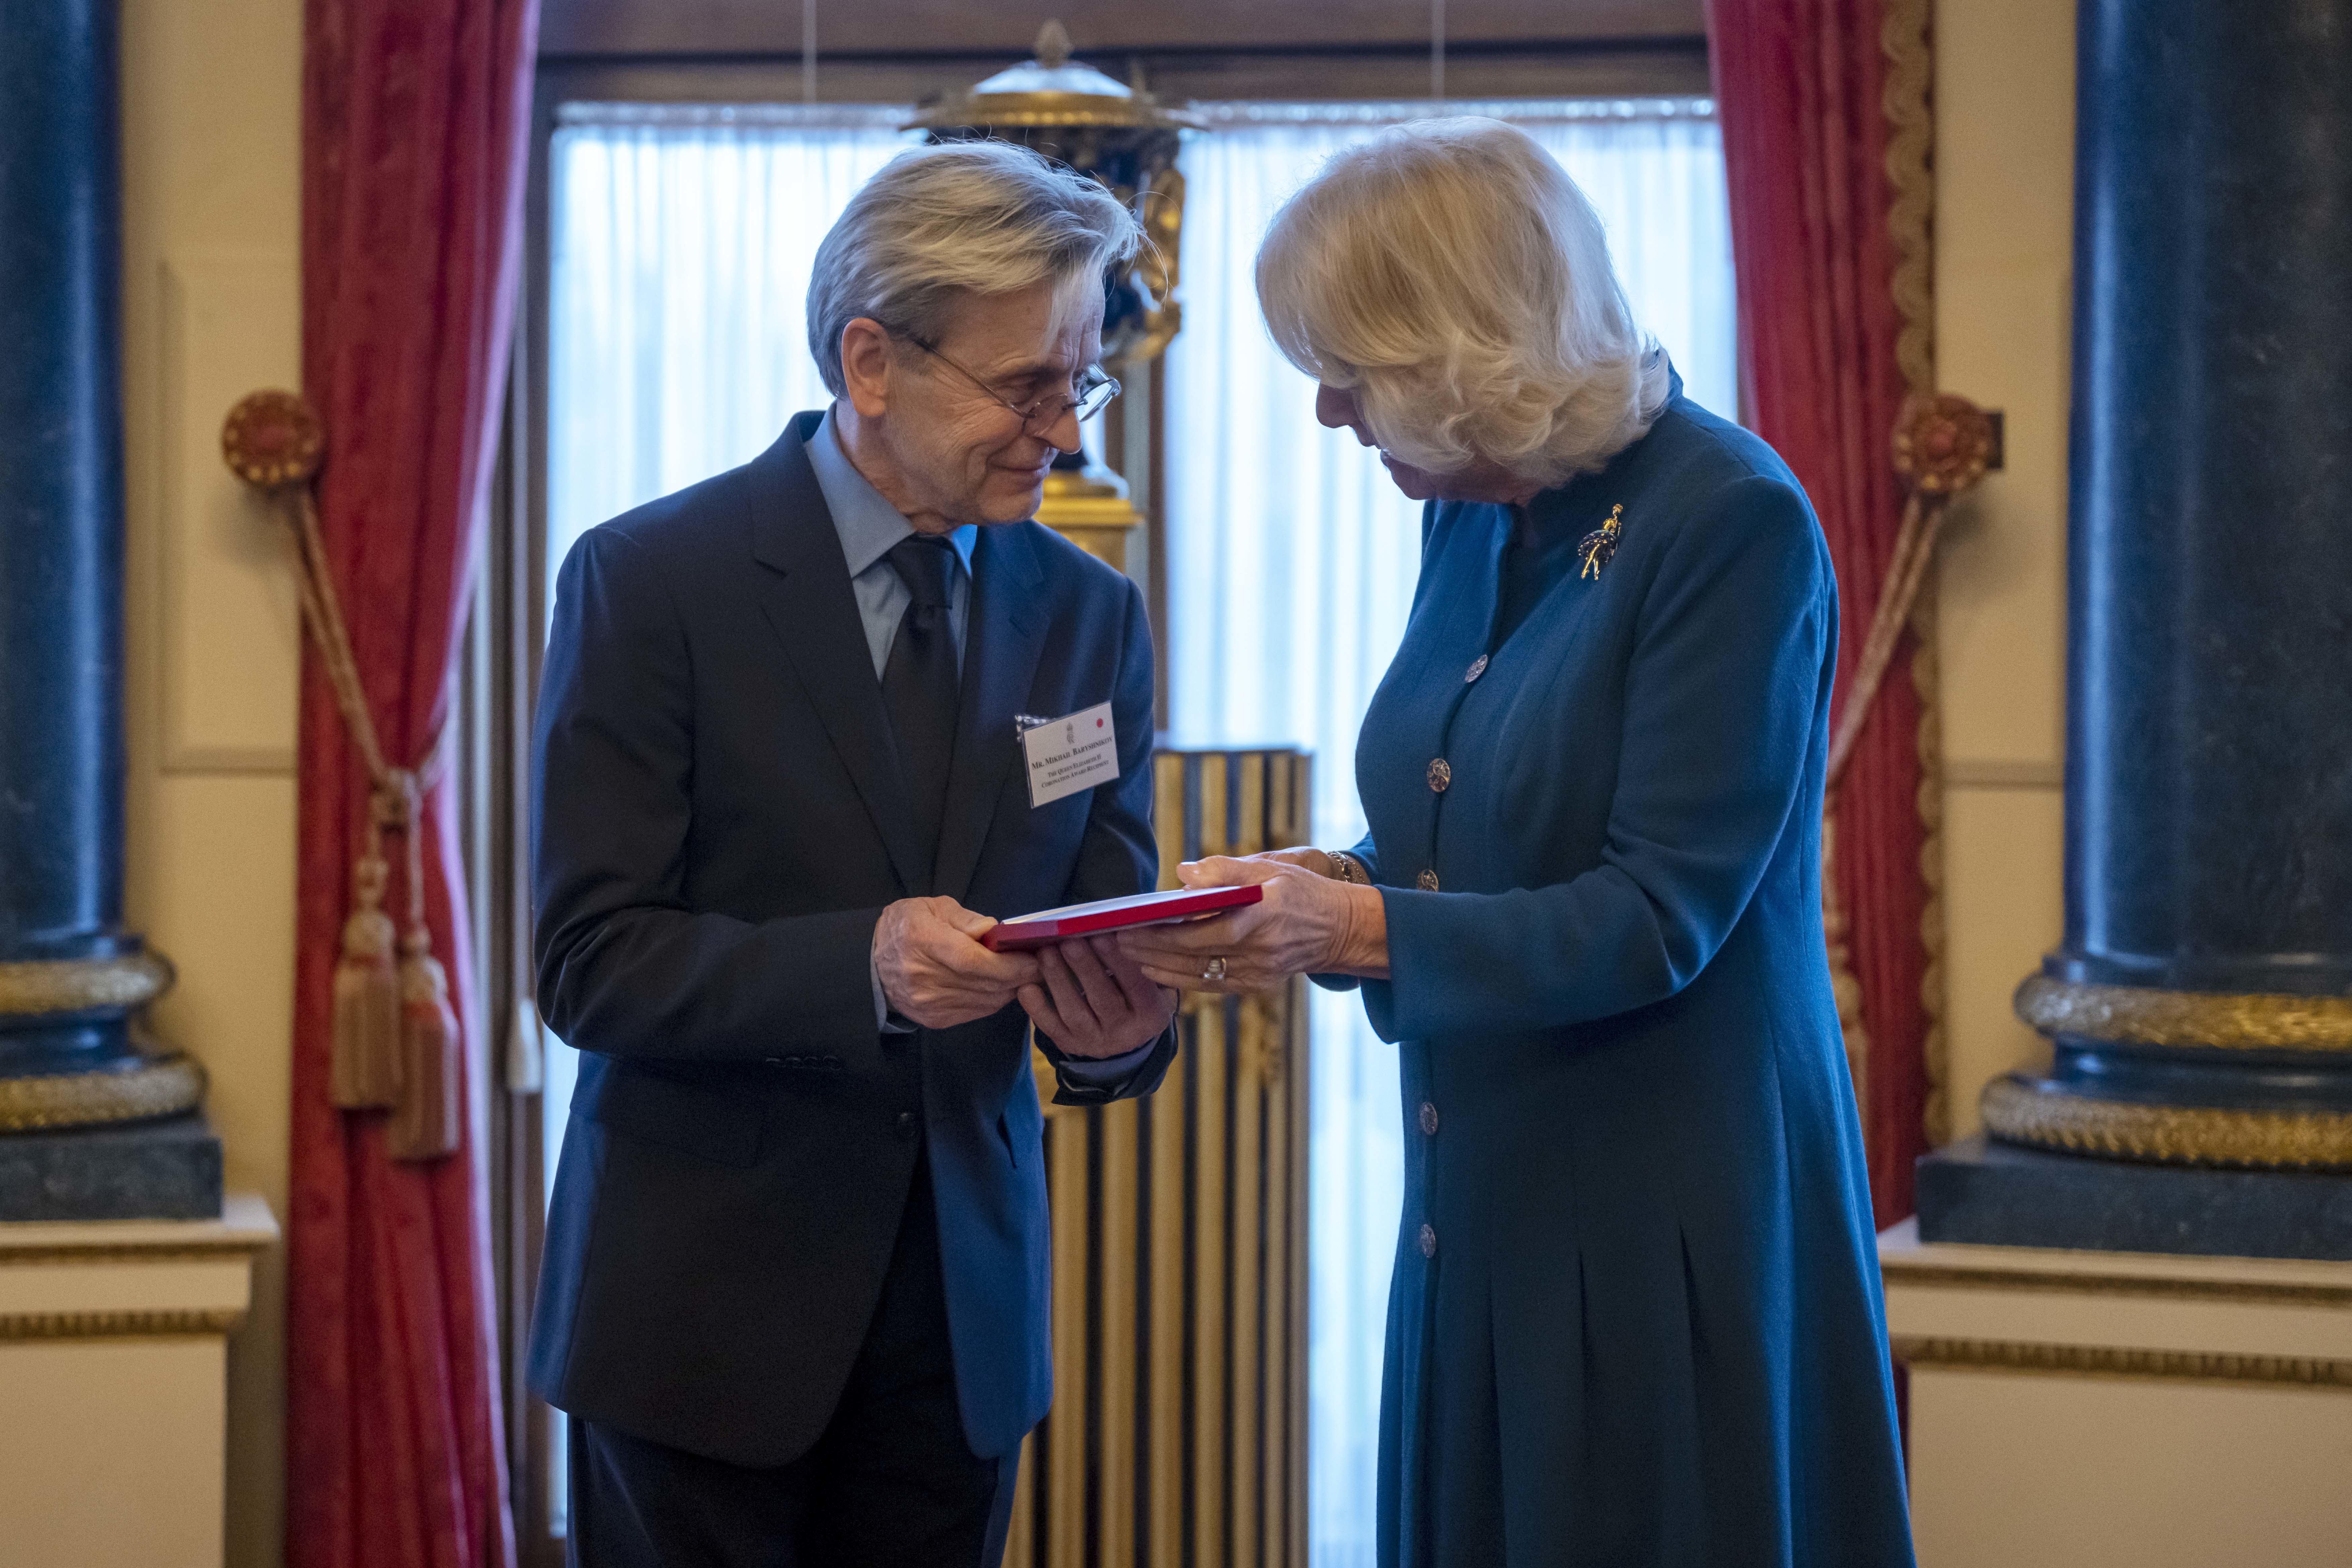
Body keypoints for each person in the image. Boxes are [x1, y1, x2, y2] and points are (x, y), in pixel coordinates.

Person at [1123, 119, 1915, 1567]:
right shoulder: (1482, 511)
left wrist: (1353, 934)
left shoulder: (1730, 520)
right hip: (1475, 1199)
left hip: (1657, 1216)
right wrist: (1324, 879)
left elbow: (1653, 913)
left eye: (1344, 372)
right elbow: (1472, 825)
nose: (1329, 416)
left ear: (1453, 350)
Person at [528, 139, 1180, 1568]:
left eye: (1078, 383)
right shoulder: (649, 583)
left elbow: (1095, 919)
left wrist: (1127, 1029)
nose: (1060, 431)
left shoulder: (1090, 619)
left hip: (961, 1338)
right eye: (1025, 386)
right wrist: (865, 964)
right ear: (871, 359)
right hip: (697, 1327)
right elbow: (588, 964)